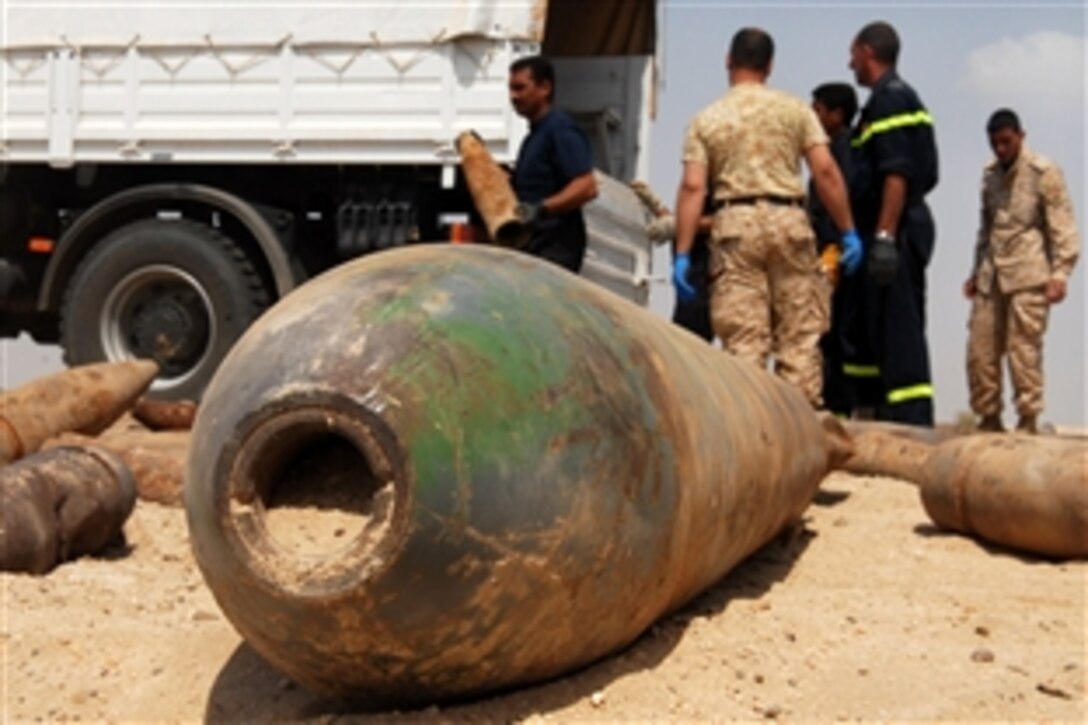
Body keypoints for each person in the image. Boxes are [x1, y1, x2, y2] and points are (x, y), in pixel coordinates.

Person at [673, 27, 862, 408]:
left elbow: (694, 188)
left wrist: (683, 251)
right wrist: (848, 231)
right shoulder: (796, 110)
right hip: (789, 224)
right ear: (770, 65)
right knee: (799, 340)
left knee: (744, 344)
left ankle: (755, 440)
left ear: (729, 60)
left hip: (735, 230)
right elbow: (825, 172)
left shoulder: (706, 119)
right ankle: (801, 437)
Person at [845, 21, 939, 426]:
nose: (850, 64)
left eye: (853, 55)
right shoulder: (884, 102)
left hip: (895, 230)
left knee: (899, 333)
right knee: (874, 330)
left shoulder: (892, 100)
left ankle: (911, 427)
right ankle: (877, 420)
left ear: (867, 51)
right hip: (884, 228)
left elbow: (896, 173)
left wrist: (884, 236)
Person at [963, 109, 1080, 434]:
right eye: (994, 143)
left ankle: (1028, 421)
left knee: (1023, 350)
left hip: (1029, 275)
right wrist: (975, 272)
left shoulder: (1044, 172)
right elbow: (985, 229)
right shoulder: (989, 175)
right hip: (991, 274)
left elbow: (1063, 227)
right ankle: (988, 418)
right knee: (980, 349)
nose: (1000, 149)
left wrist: (1061, 274)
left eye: (1006, 142)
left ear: (1020, 136)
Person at [507, 55, 598, 272]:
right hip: (534, 248)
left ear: (544, 87)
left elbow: (586, 186)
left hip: (555, 250)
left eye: (520, 88)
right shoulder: (533, 136)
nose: (513, 96)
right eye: (510, 89)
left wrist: (540, 209)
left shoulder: (560, 131)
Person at [808, 82, 862, 416]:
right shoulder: (829, 151)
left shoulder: (843, 153)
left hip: (834, 249)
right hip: (825, 246)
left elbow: (838, 198)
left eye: (818, 110)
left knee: (831, 330)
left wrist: (839, 242)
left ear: (836, 115)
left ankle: (837, 405)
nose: (814, 117)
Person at [630, 181, 715, 341]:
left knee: (693, 338)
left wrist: (679, 225)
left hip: (709, 274)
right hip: (691, 271)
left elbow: (732, 219)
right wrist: (660, 210)